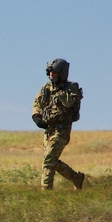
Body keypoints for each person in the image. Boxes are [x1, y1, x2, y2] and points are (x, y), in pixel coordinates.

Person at [32, 58, 86, 190]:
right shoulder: (46, 88)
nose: (51, 74)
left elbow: (69, 103)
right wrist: (36, 116)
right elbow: (37, 103)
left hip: (61, 131)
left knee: (49, 160)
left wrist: (60, 93)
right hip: (48, 130)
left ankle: (46, 192)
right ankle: (76, 178)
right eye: (50, 72)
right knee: (52, 161)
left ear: (61, 73)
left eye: (54, 72)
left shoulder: (71, 87)